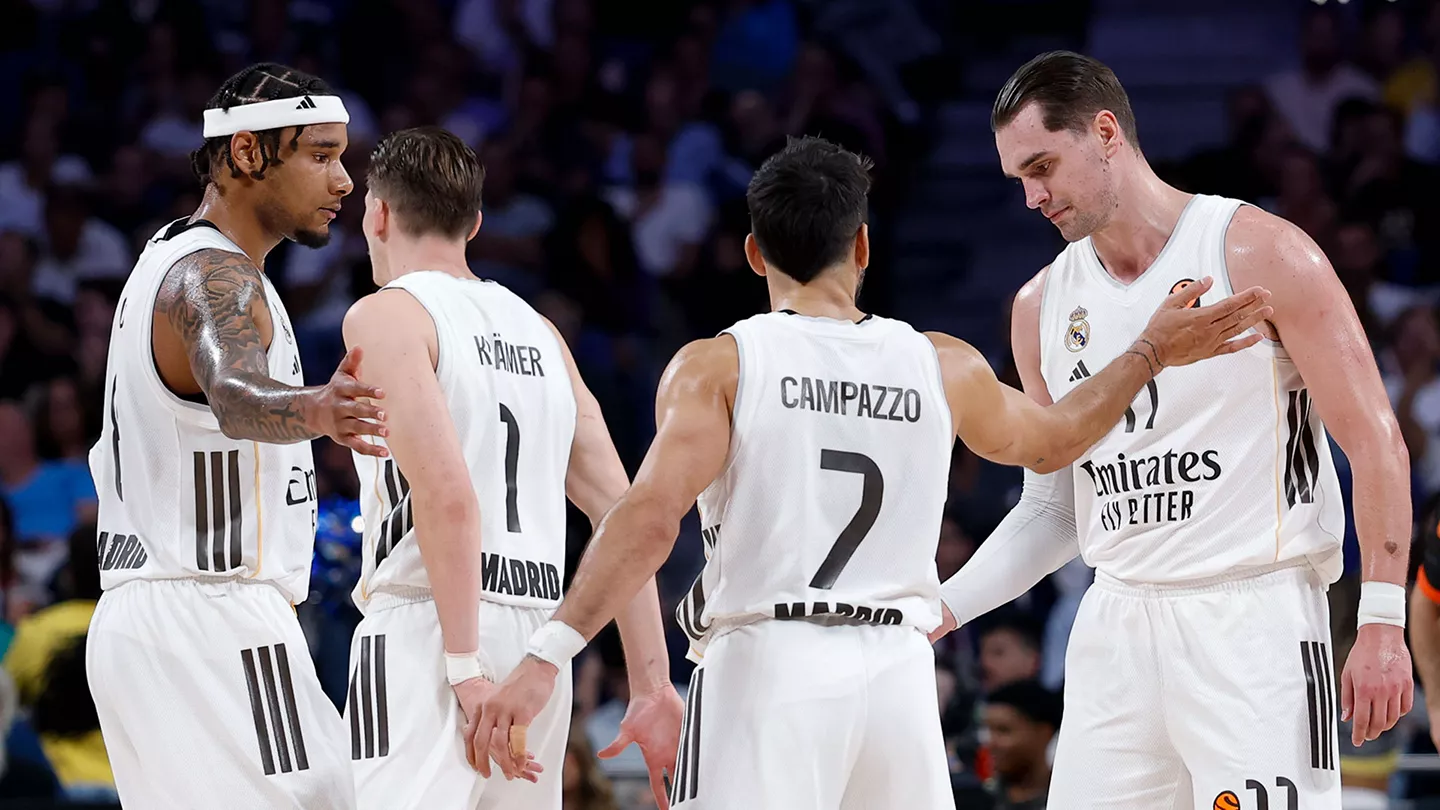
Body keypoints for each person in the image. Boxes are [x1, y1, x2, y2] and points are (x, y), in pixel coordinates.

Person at [470, 134, 1272, 810]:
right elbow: (1060, 440)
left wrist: (548, 652)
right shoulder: (941, 363)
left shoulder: (720, 365)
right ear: (861, 247)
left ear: (754, 253)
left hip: (769, 664)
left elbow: (647, 523)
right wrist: (1149, 351)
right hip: (896, 673)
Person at [931, 51, 1415, 809]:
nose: (1031, 197)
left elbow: (1375, 437)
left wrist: (1384, 621)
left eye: (1043, 167)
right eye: (1018, 179)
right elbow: (1054, 509)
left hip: (1254, 617)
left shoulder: (1258, 250)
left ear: (1105, 133)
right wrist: (941, 607)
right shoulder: (1039, 306)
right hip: (1116, 625)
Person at [340, 127, 683, 810]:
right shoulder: (540, 331)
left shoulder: (385, 316)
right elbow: (625, 516)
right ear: (473, 223)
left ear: (377, 213)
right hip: (536, 644)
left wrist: (464, 668)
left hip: (431, 628)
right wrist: (652, 681)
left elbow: (448, 497)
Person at [85, 62, 385, 808]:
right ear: (248, 154)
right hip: (209, 618)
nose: (344, 182)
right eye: (320, 155)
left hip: (152, 617)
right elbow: (232, 392)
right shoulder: (212, 276)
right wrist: (320, 410)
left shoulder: (172, 257)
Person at [983, 680, 1062, 810]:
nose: (990, 743)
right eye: (988, 731)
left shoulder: (1072, 798)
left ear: (1044, 733)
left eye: (1003, 730)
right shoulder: (973, 798)